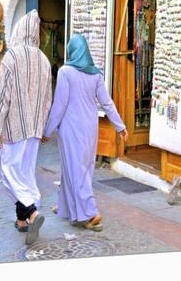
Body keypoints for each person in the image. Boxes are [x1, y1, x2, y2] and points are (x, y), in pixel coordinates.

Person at [42, 34, 128, 232]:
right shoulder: (95, 74)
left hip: (71, 129)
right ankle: (65, 206)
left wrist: (48, 130)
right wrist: (120, 126)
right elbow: (106, 102)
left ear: (72, 51)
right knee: (80, 168)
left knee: (76, 170)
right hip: (90, 128)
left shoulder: (65, 72)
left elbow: (60, 105)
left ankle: (90, 213)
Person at [0, 10, 52, 245]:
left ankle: (32, 212)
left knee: (9, 173)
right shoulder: (44, 59)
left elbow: (3, 95)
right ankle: (22, 220)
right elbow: (47, 99)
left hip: (14, 127)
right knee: (24, 172)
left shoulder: (12, 57)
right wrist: (44, 128)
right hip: (34, 128)